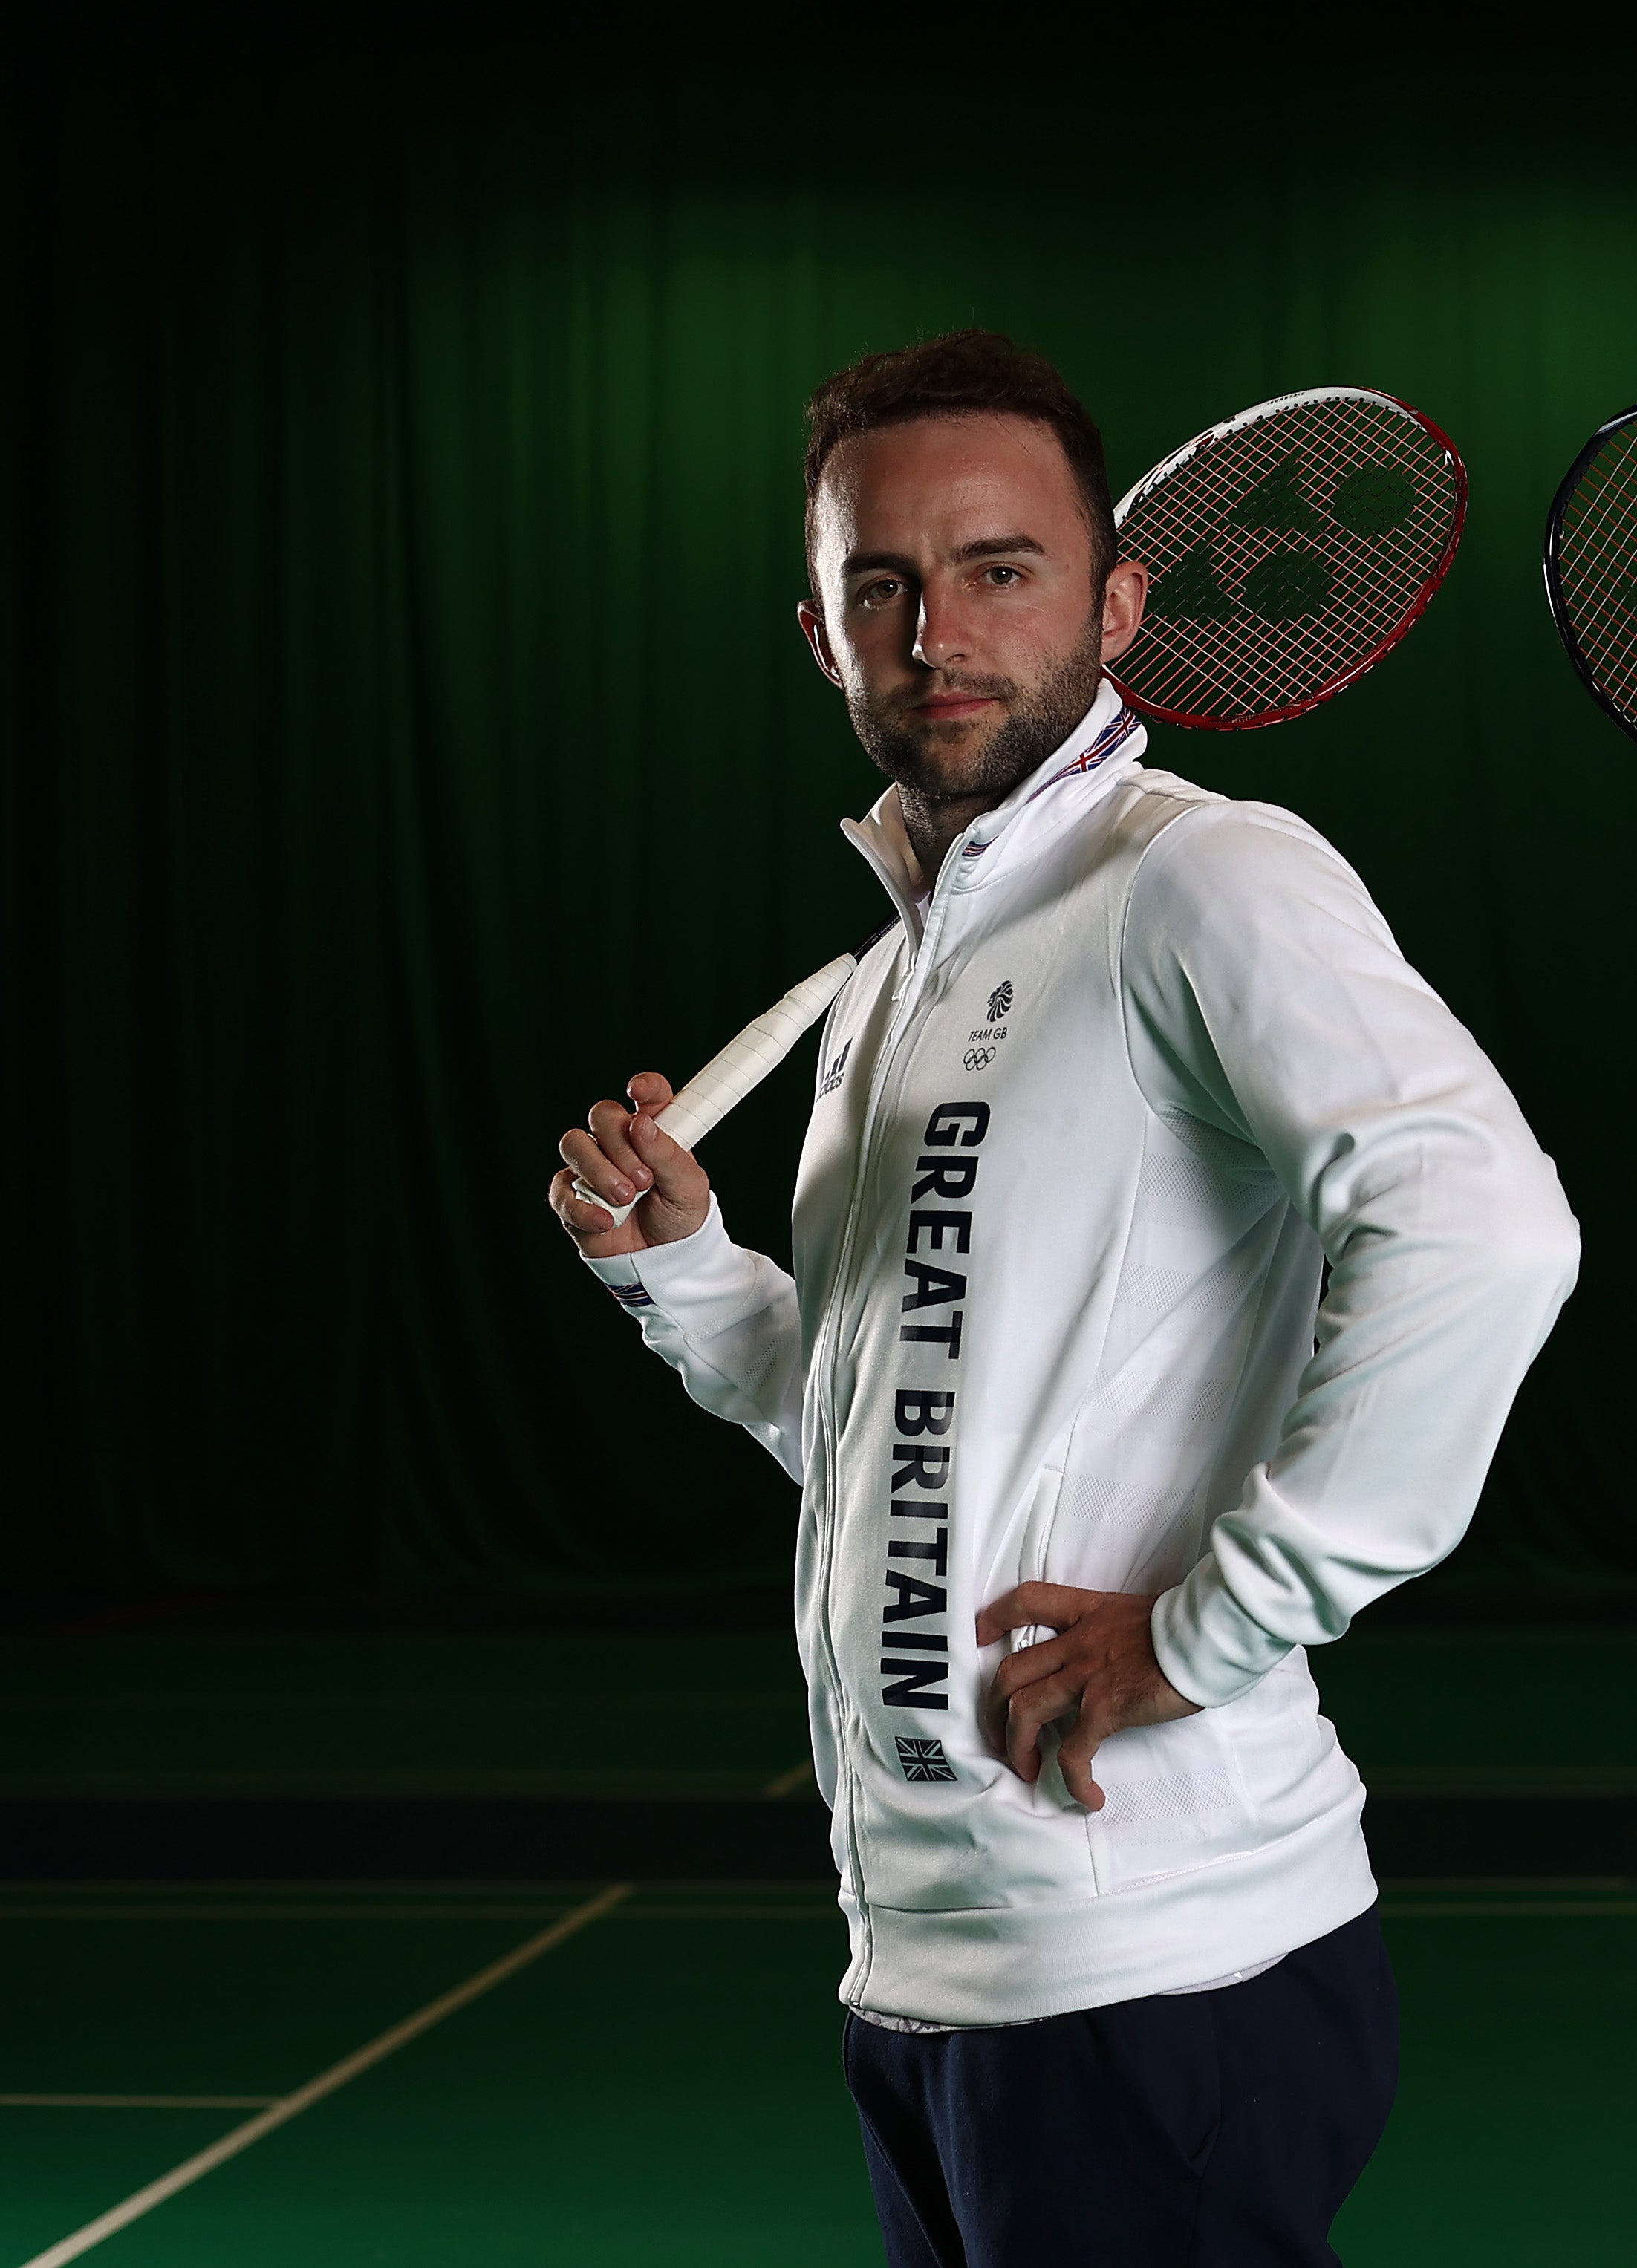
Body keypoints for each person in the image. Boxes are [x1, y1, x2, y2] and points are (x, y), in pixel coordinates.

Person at [547, 330, 1580, 2267]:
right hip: (934, 1965)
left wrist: (1214, 1625)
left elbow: (1488, 1231)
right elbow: (891, 1419)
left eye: (999, 568)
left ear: (1115, 604)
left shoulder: (1202, 881)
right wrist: (680, 1270)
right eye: (882, 583)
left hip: (1150, 1971)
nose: (938, 627)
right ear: (819, 635)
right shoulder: (888, 985)